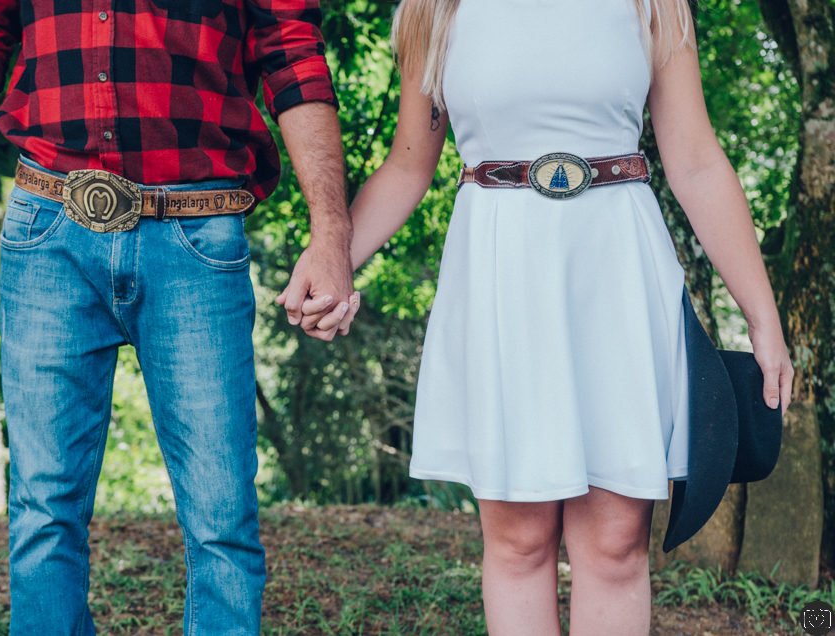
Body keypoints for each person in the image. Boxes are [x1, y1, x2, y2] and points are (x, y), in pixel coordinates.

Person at [289, 0, 794, 633]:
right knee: (519, 541)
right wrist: (332, 263)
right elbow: (407, 166)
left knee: (616, 542)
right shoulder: (433, 9)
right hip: (502, 274)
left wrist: (763, 318)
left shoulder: (655, 4)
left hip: (615, 272)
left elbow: (696, 160)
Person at [0, 0, 358, 633]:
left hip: (197, 232)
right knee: (42, 509)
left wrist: (332, 232)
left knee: (221, 514)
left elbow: (291, 49)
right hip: (49, 223)